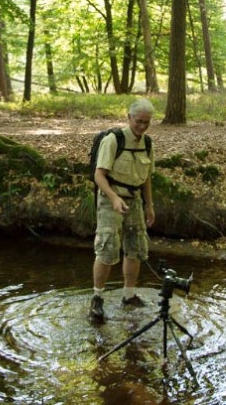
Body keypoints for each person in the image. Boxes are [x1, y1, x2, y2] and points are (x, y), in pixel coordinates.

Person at [89, 98, 156, 324]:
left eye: (147, 122)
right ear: (129, 117)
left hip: (135, 200)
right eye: (139, 121)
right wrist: (114, 197)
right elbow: (99, 175)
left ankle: (128, 295)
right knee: (107, 249)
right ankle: (97, 298)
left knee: (136, 247)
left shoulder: (147, 143)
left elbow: (147, 178)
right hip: (111, 198)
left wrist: (150, 205)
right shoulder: (113, 140)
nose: (142, 126)